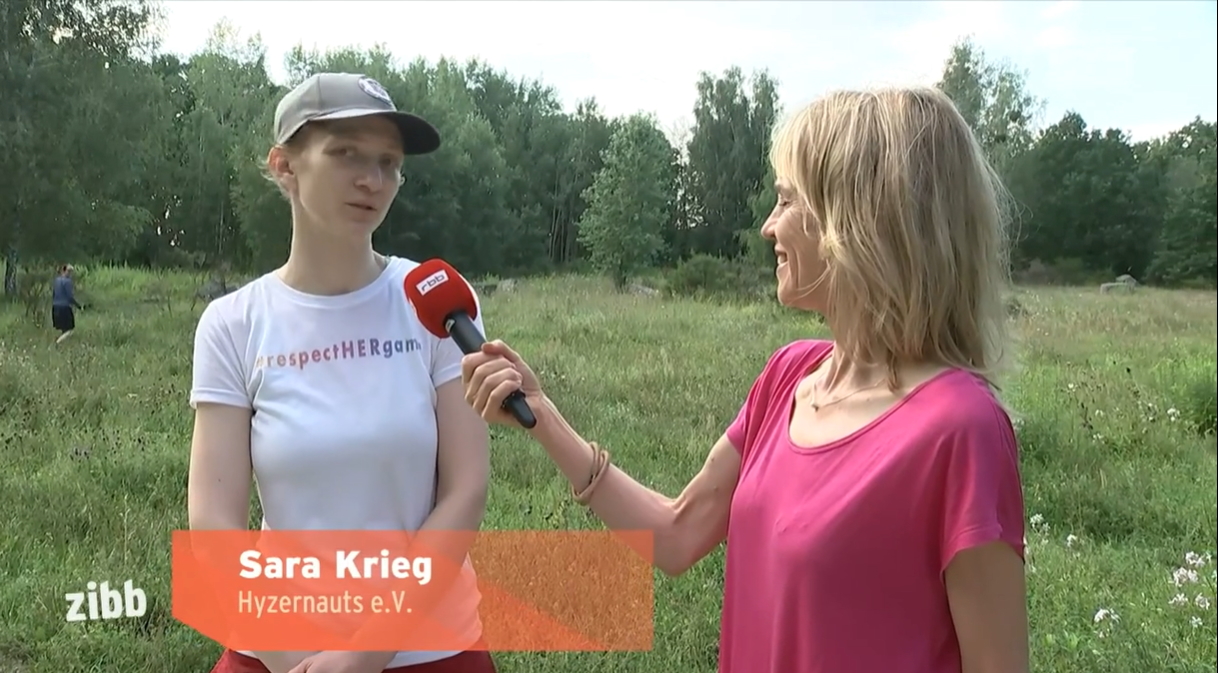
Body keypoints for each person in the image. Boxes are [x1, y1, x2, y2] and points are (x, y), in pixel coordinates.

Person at [461, 86, 1029, 673]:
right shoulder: (788, 377)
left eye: (786, 201)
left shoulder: (959, 429)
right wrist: (543, 417)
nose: (767, 227)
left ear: (859, 220)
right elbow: (677, 533)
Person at [187, 72, 497, 673]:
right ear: (285, 166)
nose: (372, 180)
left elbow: (465, 491)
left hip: (430, 650)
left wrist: (365, 652)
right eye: (346, 153)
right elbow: (213, 522)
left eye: (388, 162)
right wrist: (289, 658)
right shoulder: (232, 324)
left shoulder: (433, 302)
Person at [52, 264, 83, 344]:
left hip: (55, 307)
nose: (70, 273)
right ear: (64, 271)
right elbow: (70, 297)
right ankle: (58, 342)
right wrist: (78, 306)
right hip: (64, 307)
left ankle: (60, 342)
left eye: (71, 272)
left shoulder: (56, 280)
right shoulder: (68, 282)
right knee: (70, 329)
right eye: (68, 271)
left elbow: (54, 293)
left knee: (63, 328)